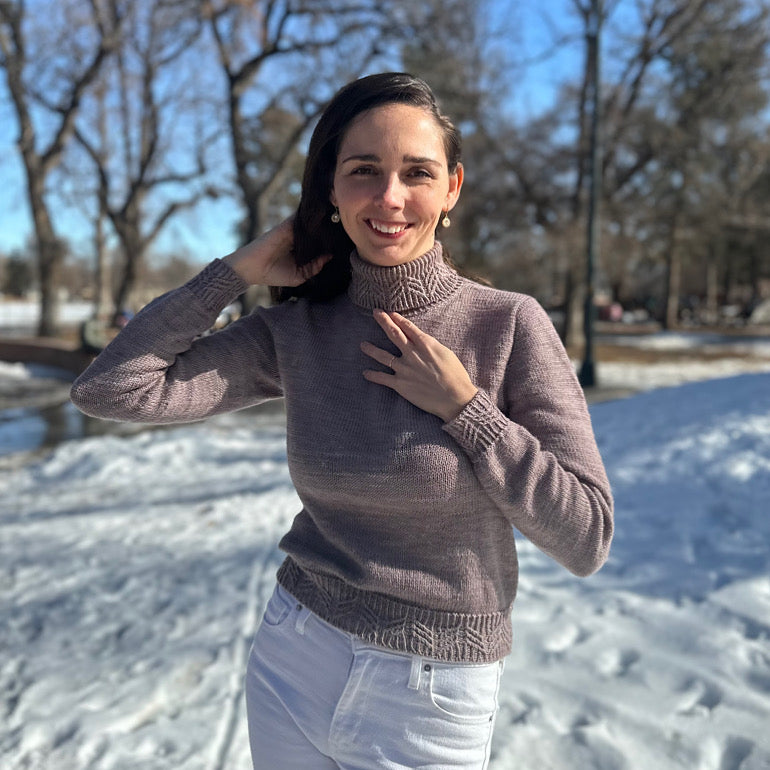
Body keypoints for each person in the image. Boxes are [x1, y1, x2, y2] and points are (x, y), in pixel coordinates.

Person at [70, 72, 614, 770]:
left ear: (451, 189)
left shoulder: (507, 325)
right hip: (296, 651)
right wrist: (235, 270)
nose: (390, 197)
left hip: (431, 693)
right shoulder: (299, 331)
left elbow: (587, 537)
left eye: (417, 172)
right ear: (331, 187)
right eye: (364, 171)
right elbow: (113, 389)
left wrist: (467, 411)